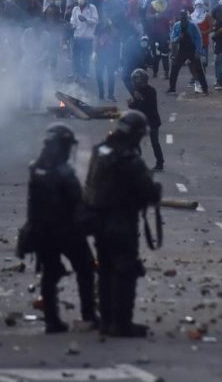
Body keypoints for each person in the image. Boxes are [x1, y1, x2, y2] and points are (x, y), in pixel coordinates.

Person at [83, 111, 163, 337]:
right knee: (125, 271)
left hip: (98, 221)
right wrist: (155, 191)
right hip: (121, 223)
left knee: (106, 270)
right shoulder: (129, 159)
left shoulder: (100, 150)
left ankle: (107, 320)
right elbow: (147, 192)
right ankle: (121, 323)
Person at [18, 125, 98, 333]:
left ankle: (52, 321)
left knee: (50, 274)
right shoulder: (63, 172)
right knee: (86, 269)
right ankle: (88, 315)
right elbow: (76, 201)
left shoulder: (36, 167)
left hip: (42, 231)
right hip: (67, 230)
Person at [128, 69, 164, 171]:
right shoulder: (136, 91)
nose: (137, 83)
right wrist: (131, 105)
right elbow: (137, 107)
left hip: (152, 120)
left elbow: (149, 106)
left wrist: (140, 99)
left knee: (155, 143)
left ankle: (160, 162)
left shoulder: (151, 91)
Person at [167, 9, 209, 95]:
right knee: (175, 67)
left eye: (185, 17)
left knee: (199, 69)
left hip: (192, 49)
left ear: (187, 17)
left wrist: (198, 51)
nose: (184, 19)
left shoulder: (193, 25)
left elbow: (198, 39)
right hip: (182, 49)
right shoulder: (177, 26)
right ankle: (172, 88)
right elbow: (173, 39)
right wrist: (178, 38)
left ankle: (205, 89)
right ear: (180, 18)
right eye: (182, 18)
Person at [70, 0, 98, 79]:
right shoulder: (75, 9)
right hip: (77, 36)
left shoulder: (92, 8)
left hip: (87, 37)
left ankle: (85, 73)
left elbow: (96, 21)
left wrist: (86, 19)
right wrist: (71, 25)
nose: (80, 0)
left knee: (85, 56)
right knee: (76, 56)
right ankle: (76, 72)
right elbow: (73, 21)